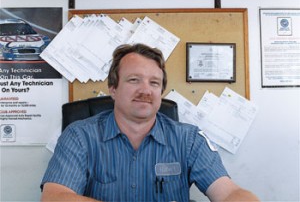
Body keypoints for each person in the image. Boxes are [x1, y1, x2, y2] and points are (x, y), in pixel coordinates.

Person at [40, 43, 260, 202]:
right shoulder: (79, 136)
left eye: (154, 83)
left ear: (160, 91)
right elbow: (55, 197)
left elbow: (228, 192)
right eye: (134, 80)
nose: (145, 90)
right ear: (113, 89)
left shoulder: (189, 139)